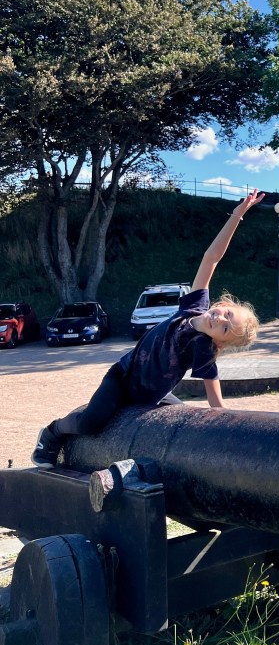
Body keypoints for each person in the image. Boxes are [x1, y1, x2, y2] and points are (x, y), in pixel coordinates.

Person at [31, 190, 265, 468]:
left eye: (226, 329)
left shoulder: (203, 348)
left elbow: (214, 395)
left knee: (184, 422)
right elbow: (211, 258)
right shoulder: (194, 305)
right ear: (223, 302)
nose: (220, 320)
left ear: (221, 343)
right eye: (227, 314)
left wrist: (223, 421)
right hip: (123, 378)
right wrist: (237, 214)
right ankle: (52, 432)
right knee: (91, 423)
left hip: (152, 395)